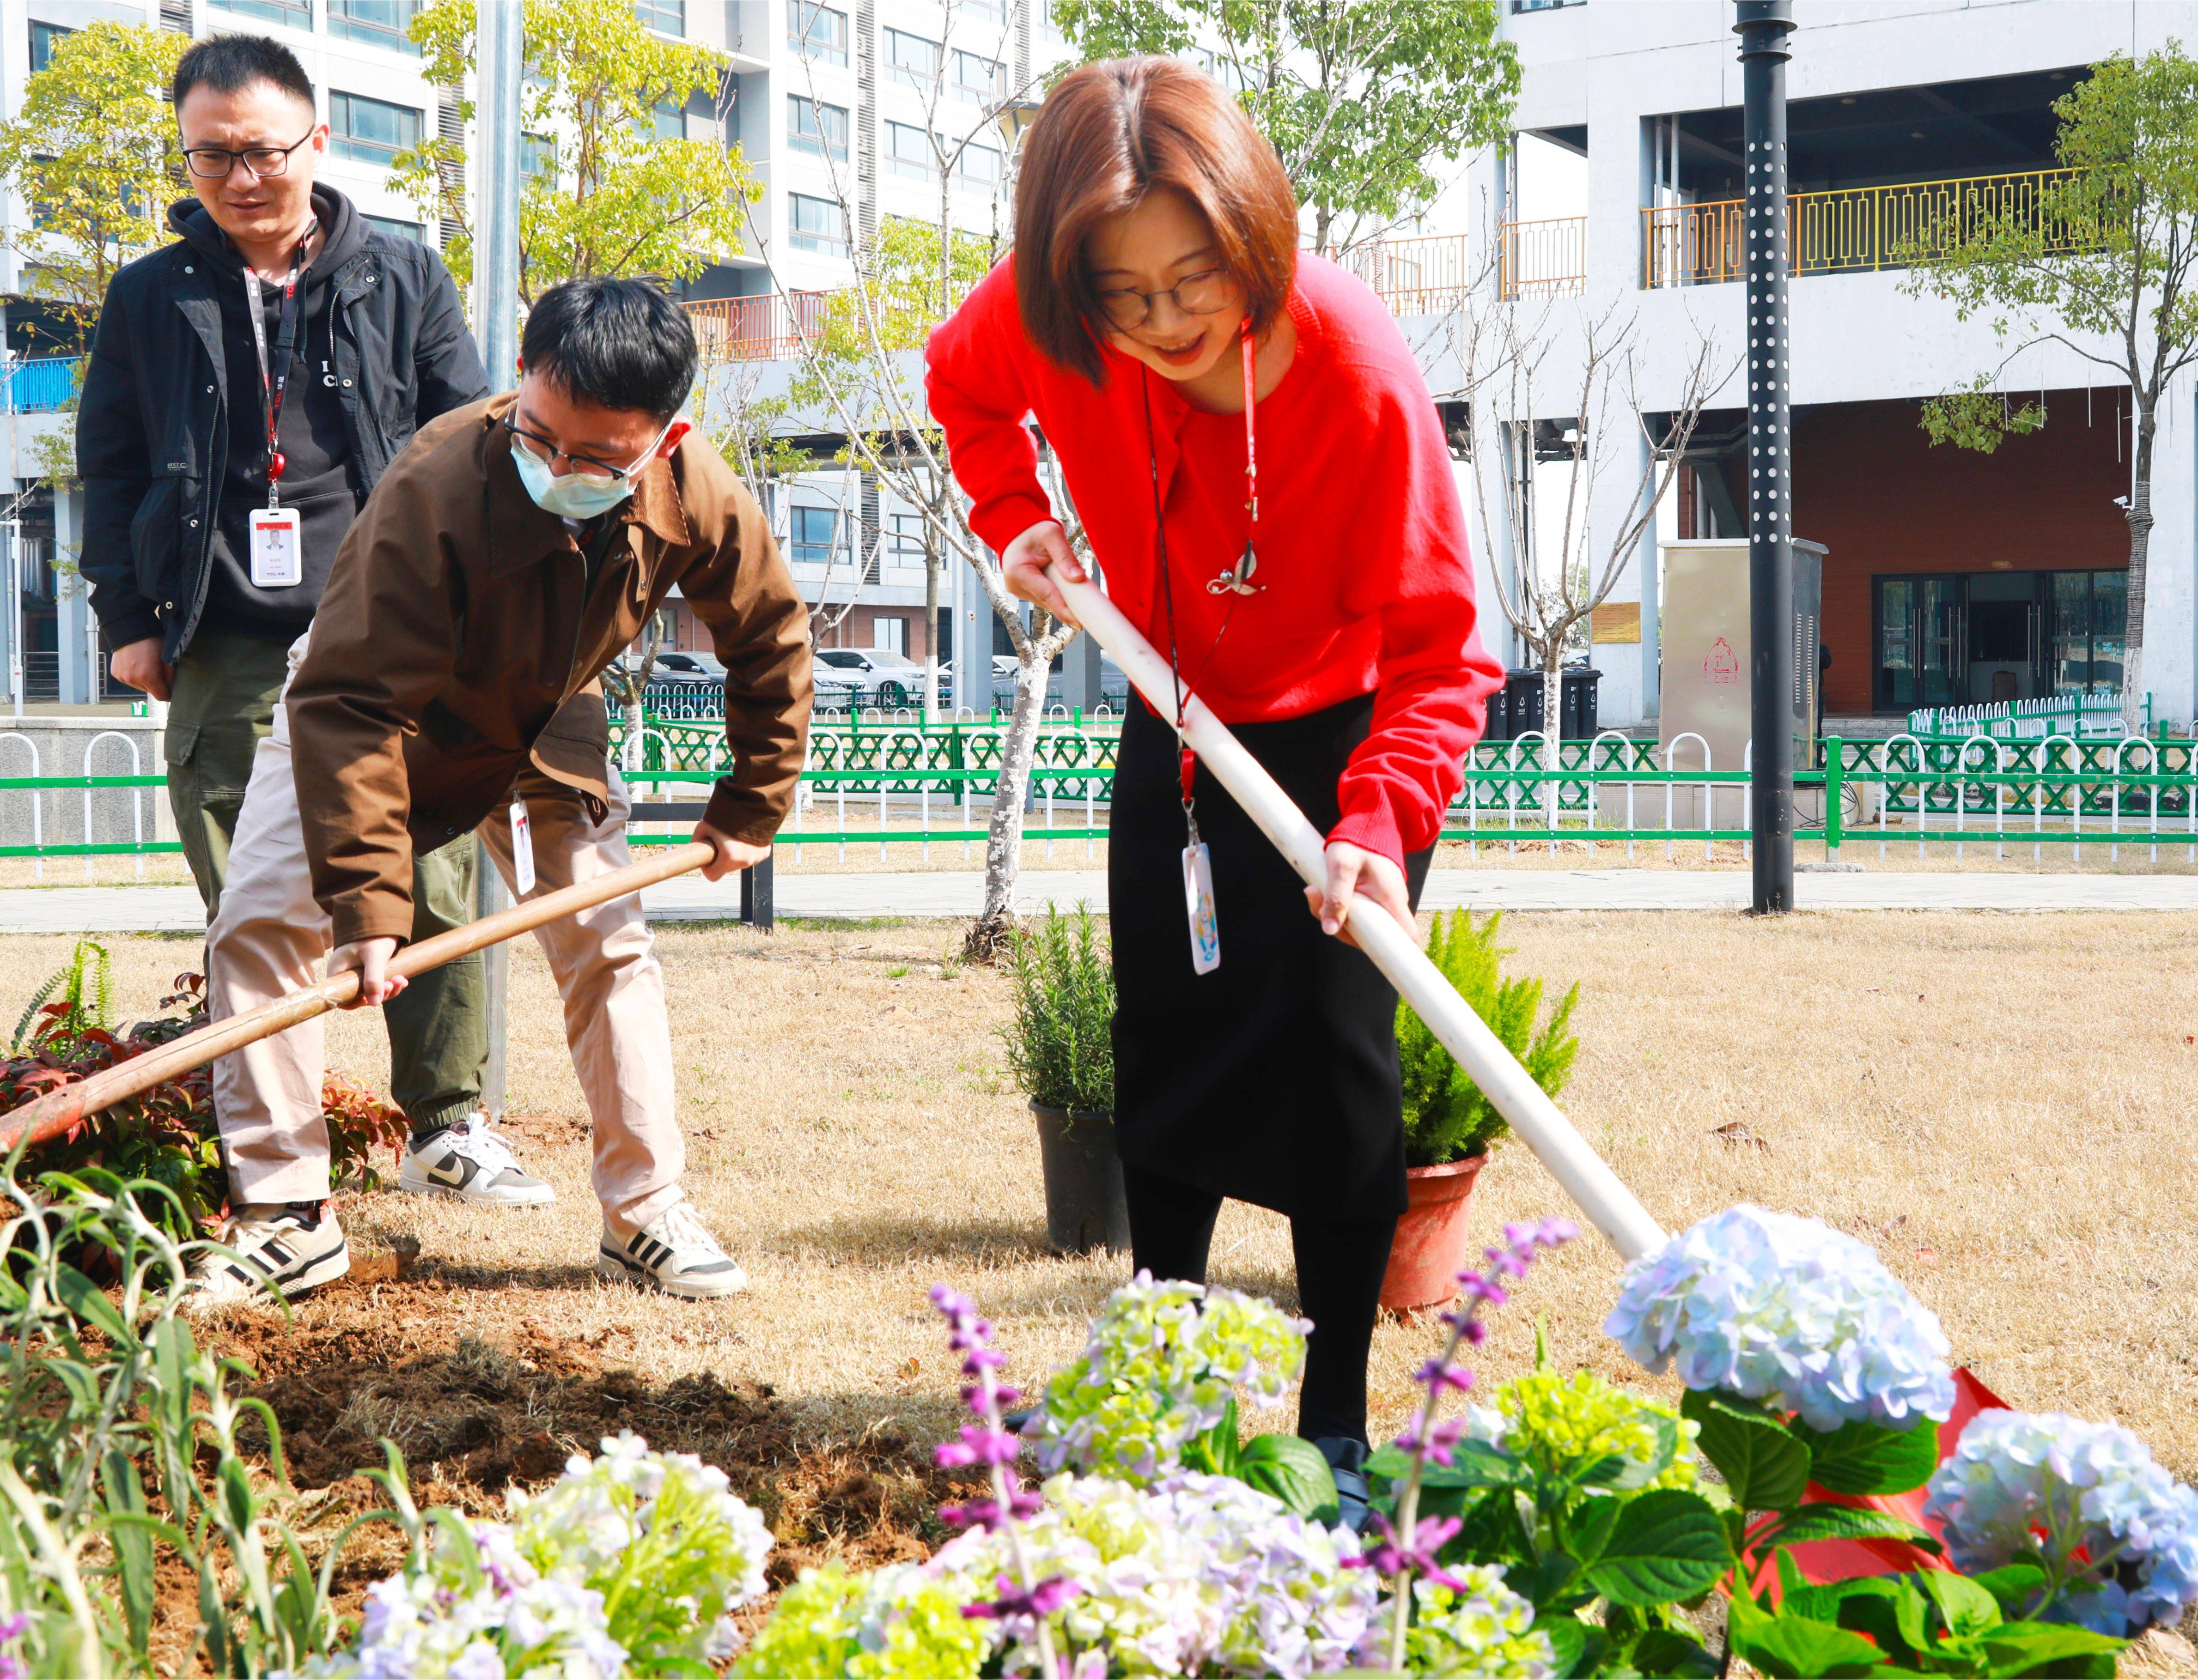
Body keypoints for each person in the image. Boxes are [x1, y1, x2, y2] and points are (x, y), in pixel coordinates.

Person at [925, 58, 1502, 1526]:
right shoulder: (1047, 316)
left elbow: (1446, 648)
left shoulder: (1354, 367)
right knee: (1168, 1037)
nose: (1169, 320)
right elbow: (961, 383)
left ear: (1252, 231)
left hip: (1339, 737)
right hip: (1172, 713)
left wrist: (1377, 827)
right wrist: (1017, 523)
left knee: (1333, 1064)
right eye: (1125, 296)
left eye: (1196, 277)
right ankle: (1162, 1373)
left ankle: (1339, 1420)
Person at [189, 278, 812, 1307]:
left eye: (597, 458)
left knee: (607, 939)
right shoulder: (439, 479)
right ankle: (287, 1215)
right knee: (261, 921)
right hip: (368, 702)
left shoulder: (694, 491)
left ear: (666, 437)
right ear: (523, 383)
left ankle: (645, 1213)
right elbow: (349, 703)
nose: (558, 469)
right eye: (540, 436)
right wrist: (370, 907)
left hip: (538, 717)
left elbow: (768, 635)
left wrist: (750, 806)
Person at [74, 34, 513, 1201]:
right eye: (211, 154)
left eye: (262, 150)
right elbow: (108, 465)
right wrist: (129, 614)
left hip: (389, 622)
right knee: (242, 883)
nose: (240, 176)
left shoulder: (403, 273)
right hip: (219, 622)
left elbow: (466, 434)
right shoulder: (149, 294)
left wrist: (473, 604)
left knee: (433, 865)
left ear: (317, 141)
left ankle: (446, 1126)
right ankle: (280, 1137)